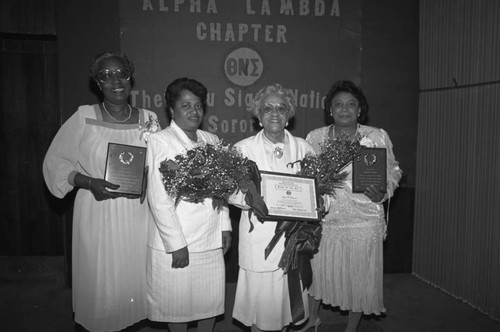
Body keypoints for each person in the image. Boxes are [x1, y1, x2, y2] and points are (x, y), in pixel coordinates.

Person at [43, 52, 158, 331]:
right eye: (106, 76)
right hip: (97, 212)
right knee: (101, 285)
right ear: (97, 83)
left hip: (137, 215)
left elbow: (160, 164)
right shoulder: (84, 116)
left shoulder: (149, 119)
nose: (115, 80)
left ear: (131, 78)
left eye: (121, 73)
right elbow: (55, 162)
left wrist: (149, 175)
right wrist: (88, 182)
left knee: (133, 284)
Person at [303, 80, 402, 332]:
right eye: (338, 104)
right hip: (326, 219)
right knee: (320, 273)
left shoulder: (375, 136)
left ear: (360, 110)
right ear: (329, 110)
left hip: (364, 219)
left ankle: (351, 328)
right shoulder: (315, 138)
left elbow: (393, 171)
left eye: (351, 104)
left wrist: (383, 192)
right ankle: (312, 318)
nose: (344, 109)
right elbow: (305, 178)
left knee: (359, 278)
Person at [145, 77, 232, 332]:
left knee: (209, 304)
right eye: (186, 105)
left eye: (198, 105)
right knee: (178, 306)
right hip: (178, 240)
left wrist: (225, 225)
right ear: (172, 110)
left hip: (209, 239)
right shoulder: (160, 140)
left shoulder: (211, 140)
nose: (194, 111)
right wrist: (177, 244)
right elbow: (158, 197)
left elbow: (222, 188)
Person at [231, 83, 316, 332]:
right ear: (258, 116)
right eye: (267, 108)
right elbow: (230, 192)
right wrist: (250, 200)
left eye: (281, 108)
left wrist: (319, 203)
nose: (274, 113)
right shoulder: (243, 149)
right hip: (260, 242)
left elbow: (323, 191)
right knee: (261, 314)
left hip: (294, 241)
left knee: (287, 312)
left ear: (289, 114)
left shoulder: (305, 148)